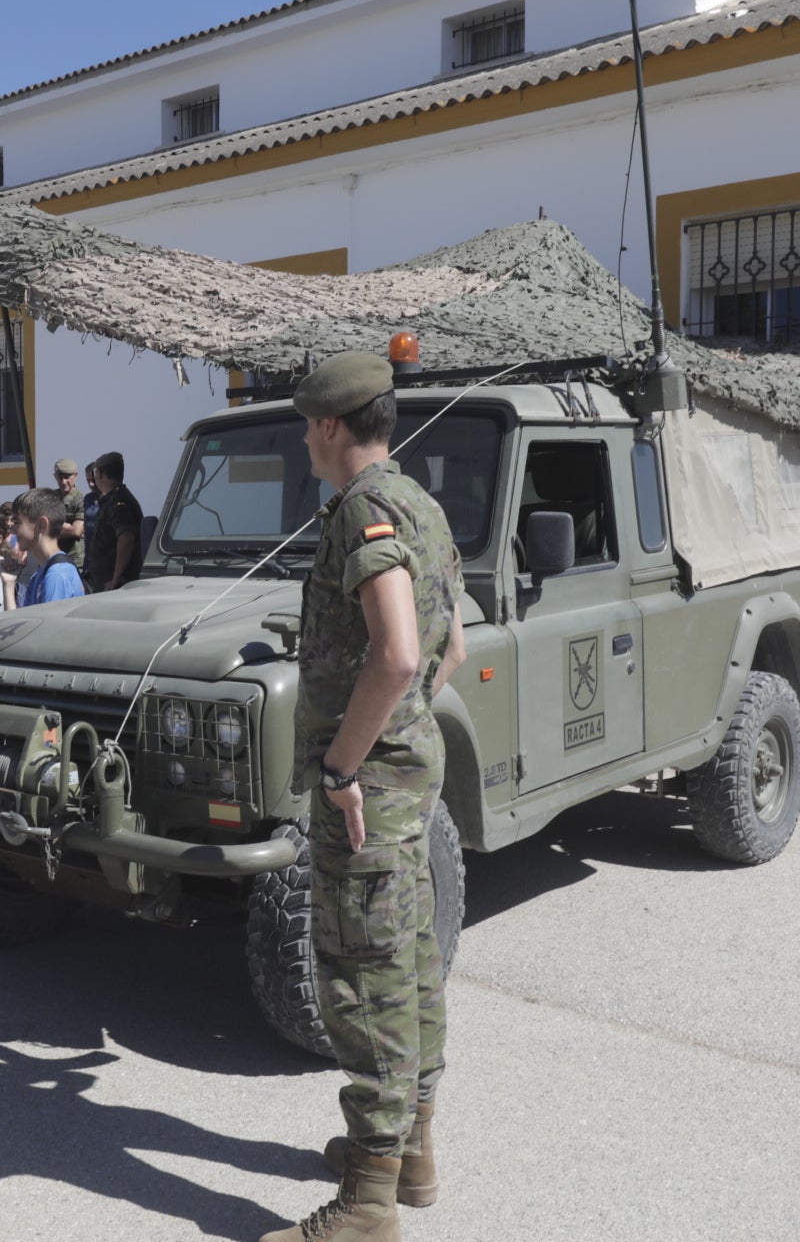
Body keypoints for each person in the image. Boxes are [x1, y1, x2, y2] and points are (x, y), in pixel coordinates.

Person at [260, 351, 466, 1242]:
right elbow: (453, 646)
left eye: (310, 424)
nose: (306, 438)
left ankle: (366, 1206)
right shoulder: (421, 502)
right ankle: (409, 1154)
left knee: (362, 976)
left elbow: (398, 655)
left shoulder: (364, 512)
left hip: (366, 788)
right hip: (410, 773)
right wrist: (404, 726)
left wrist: (345, 766)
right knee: (409, 955)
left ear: (334, 427)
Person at [14, 488, 86, 607]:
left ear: (42, 524)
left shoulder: (57, 574)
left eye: (17, 522)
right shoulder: (39, 574)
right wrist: (9, 583)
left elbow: (49, 624)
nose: (12, 529)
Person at [87, 451, 144, 593]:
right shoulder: (113, 498)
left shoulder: (119, 502)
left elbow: (126, 538)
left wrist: (116, 577)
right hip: (106, 585)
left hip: (116, 587)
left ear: (99, 474)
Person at [53, 458, 87, 580]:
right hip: (53, 556)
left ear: (76, 475)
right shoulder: (50, 498)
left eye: (67, 477)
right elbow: (40, 526)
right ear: (55, 476)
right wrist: (67, 526)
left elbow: (76, 531)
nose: (63, 481)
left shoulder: (80, 499)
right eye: (60, 477)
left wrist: (52, 529)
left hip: (74, 559)